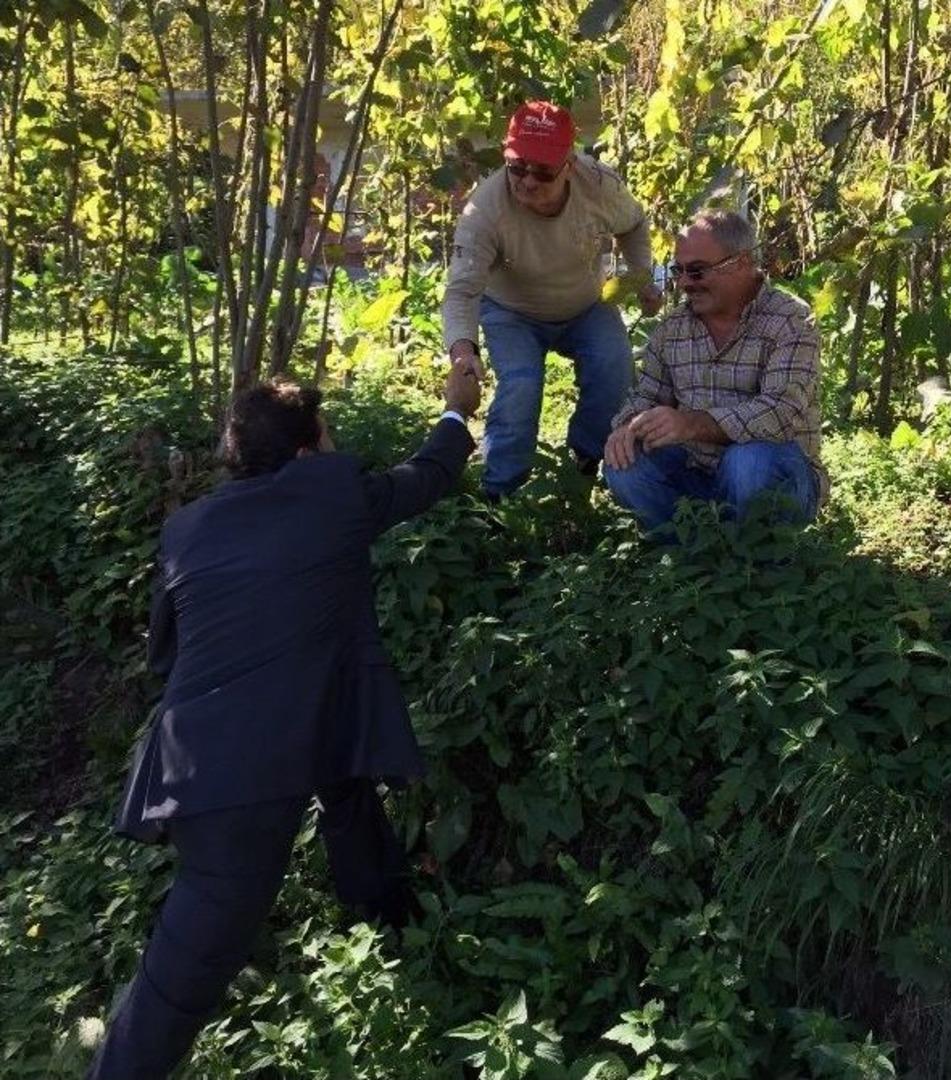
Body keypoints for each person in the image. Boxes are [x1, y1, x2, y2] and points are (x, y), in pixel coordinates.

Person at [87, 369, 480, 1080]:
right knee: (181, 981)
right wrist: (456, 410)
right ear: (306, 451)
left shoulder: (187, 527)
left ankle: (386, 908)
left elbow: (164, 650)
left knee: (344, 773)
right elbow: (428, 475)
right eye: (326, 436)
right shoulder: (331, 494)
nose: (333, 446)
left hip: (202, 747)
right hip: (231, 783)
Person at [442, 99, 662, 499]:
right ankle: (500, 495)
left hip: (585, 304)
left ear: (569, 164)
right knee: (522, 385)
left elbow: (633, 223)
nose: (527, 181)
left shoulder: (599, 185)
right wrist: (462, 350)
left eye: (542, 171)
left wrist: (639, 275)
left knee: (615, 368)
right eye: (517, 166)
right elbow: (462, 289)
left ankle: (584, 468)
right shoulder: (484, 210)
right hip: (511, 310)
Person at [604, 210, 826, 533]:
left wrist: (692, 424)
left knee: (748, 462)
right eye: (677, 271)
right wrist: (627, 428)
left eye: (696, 272)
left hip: (776, 472)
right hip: (696, 475)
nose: (683, 284)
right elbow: (648, 397)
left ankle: (753, 554)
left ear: (742, 262)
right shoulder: (672, 329)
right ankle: (689, 555)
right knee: (624, 464)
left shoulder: (790, 321)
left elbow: (780, 413)